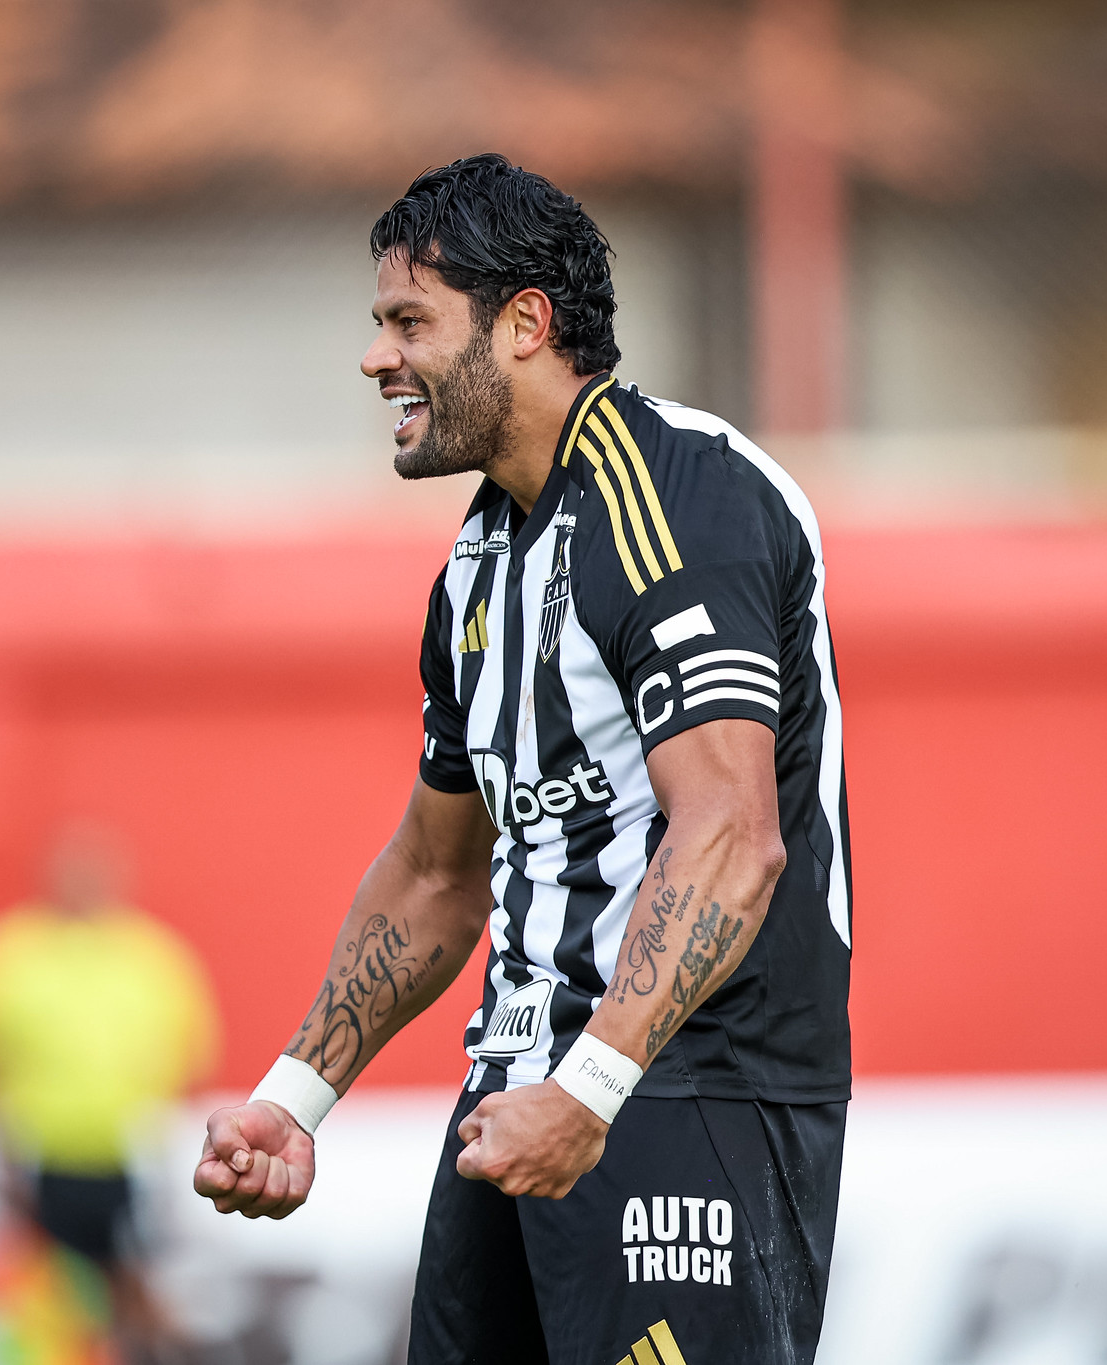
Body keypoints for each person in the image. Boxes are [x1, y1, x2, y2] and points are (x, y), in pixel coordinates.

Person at [192, 154, 853, 1365]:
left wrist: (590, 1091)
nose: (376, 356)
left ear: (525, 324)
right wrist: (294, 1099)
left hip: (682, 1091)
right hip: (517, 1096)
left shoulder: (677, 498)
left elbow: (731, 836)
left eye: (408, 322)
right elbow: (437, 873)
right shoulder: (479, 562)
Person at [0, 825, 220, 1363]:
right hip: (38, 1158)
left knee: (133, 1286)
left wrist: (178, 1158)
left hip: (126, 1158)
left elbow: (187, 1066)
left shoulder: (152, 957)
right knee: (42, 1294)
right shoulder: (8, 955)